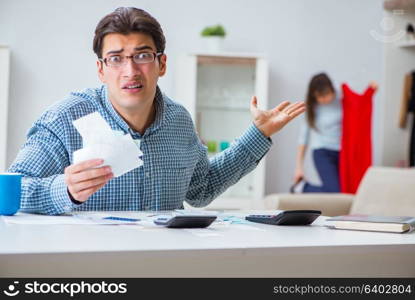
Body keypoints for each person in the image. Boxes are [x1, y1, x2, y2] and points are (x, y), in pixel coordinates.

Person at [8, 7, 305, 215]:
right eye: (116, 59)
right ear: (101, 69)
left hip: (165, 267)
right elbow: (10, 194)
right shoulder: (63, 120)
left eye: (143, 55)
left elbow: (202, 189)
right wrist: (65, 189)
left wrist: (259, 133)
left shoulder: (179, 121)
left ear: (162, 64)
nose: (130, 70)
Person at [293, 73, 376, 193]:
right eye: (319, 96)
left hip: (343, 153)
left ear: (332, 90)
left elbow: (359, 104)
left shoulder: (342, 95)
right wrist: (299, 167)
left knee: (347, 190)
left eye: (326, 95)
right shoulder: (311, 107)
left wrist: (371, 91)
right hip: (322, 152)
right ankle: (302, 187)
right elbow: (303, 138)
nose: (324, 99)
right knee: (335, 192)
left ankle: (303, 188)